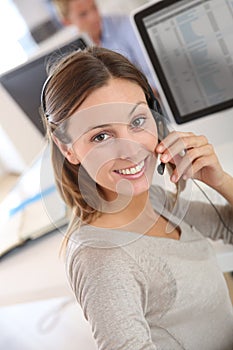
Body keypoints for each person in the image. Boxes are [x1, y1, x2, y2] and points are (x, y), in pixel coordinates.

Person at [40, 46, 233, 350]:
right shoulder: (101, 258)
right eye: (100, 136)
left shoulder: (151, 200)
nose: (130, 149)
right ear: (68, 149)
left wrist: (220, 181)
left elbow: (229, 229)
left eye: (138, 121)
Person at [51, 0, 157, 93]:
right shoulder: (71, 53)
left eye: (94, 7)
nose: (94, 17)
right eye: (83, 14)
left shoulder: (126, 25)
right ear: (67, 22)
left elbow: (155, 76)